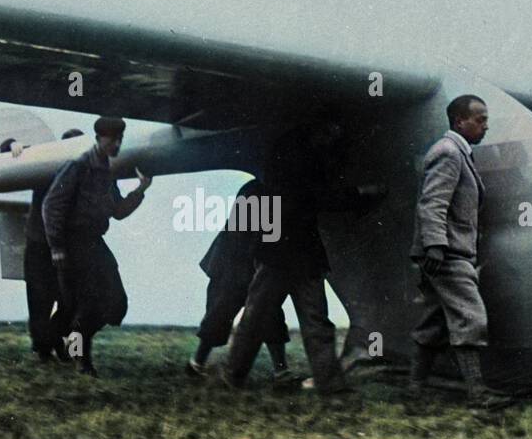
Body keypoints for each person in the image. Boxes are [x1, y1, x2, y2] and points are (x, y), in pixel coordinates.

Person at [222, 118, 381, 395]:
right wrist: (360, 194)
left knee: (258, 316)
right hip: (300, 253)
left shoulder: (288, 157)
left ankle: (234, 375)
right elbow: (316, 197)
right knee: (315, 320)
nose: (333, 140)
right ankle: (329, 384)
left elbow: (309, 197)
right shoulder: (303, 161)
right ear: (319, 132)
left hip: (279, 252)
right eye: (331, 133)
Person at [408, 94, 508, 408]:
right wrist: (436, 246)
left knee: (434, 324)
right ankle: (478, 395)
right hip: (447, 253)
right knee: (471, 318)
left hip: (447, 252)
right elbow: (432, 203)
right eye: (480, 119)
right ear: (459, 121)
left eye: (486, 120)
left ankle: (413, 392)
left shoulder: (457, 153)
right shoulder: (449, 153)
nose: (485, 126)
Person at [42, 116, 152, 376]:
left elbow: (117, 211)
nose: (117, 144)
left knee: (116, 304)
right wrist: (57, 246)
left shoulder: (106, 171)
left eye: (120, 139)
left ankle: (62, 333)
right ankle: (82, 360)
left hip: (94, 242)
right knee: (88, 305)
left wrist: (141, 189)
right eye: (112, 139)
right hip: (73, 244)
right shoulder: (78, 166)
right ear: (99, 138)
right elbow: (51, 206)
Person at [187, 178, 291, 380]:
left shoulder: (268, 190)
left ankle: (281, 371)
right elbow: (244, 233)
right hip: (232, 265)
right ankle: (196, 364)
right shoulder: (253, 190)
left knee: (271, 317)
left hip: (250, 263)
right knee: (219, 315)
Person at [18, 128, 85, 362]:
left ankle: (53, 340)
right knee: (39, 300)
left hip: (64, 246)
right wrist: (14, 145)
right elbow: (10, 150)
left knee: (70, 300)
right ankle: (43, 349)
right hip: (39, 244)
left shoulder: (82, 174)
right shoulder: (46, 165)